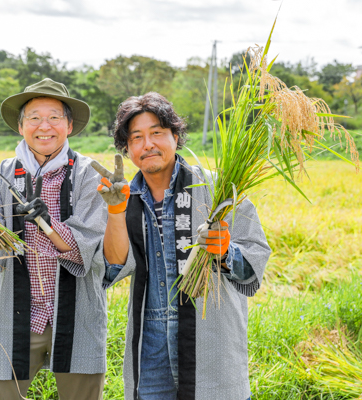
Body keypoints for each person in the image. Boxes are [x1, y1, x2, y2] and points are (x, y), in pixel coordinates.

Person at [92, 92, 271, 400]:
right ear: (127, 149)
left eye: (157, 133)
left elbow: (253, 263)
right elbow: (114, 266)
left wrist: (225, 251)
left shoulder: (219, 190)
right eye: (136, 138)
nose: (147, 144)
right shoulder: (123, 197)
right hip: (150, 347)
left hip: (210, 341)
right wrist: (116, 212)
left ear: (176, 136)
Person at [0, 78, 107, 400]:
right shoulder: (0, 176)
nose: (44, 126)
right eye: (34, 117)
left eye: (54, 116)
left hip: (77, 316)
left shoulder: (88, 175)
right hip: (15, 315)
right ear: (21, 126)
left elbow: (90, 248)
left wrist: (49, 225)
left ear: (69, 124)